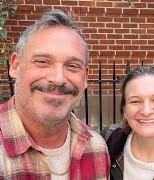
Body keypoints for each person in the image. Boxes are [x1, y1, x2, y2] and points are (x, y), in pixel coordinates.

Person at [0, 9, 110, 179]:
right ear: (15, 66)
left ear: (85, 77)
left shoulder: (96, 148)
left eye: (73, 66)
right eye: (43, 62)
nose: (58, 79)